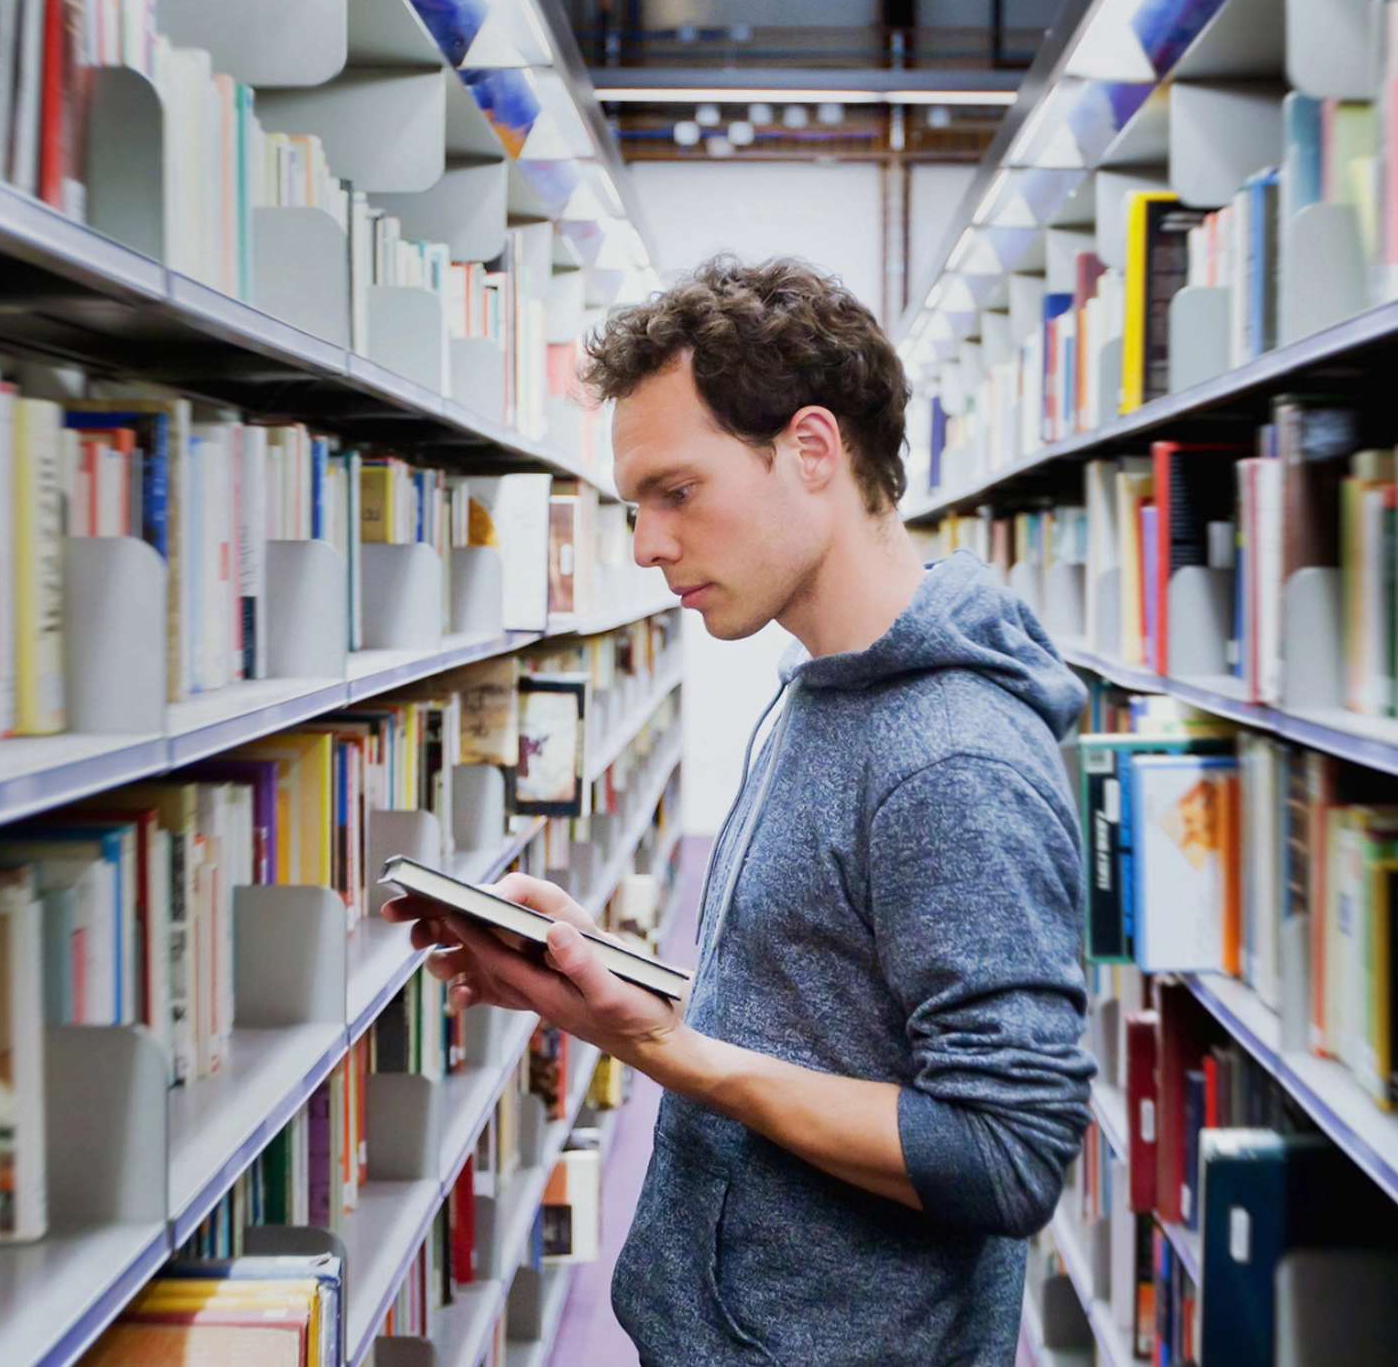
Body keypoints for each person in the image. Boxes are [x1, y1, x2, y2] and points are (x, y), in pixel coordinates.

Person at [384, 255, 1095, 1365]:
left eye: (678, 492)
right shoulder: (825, 687)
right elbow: (823, 1006)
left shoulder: (951, 761)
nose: (647, 545)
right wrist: (605, 989)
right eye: (635, 506)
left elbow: (1006, 1153)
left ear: (811, 450)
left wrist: (676, 1053)